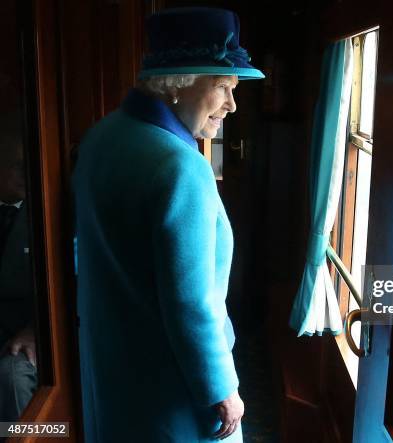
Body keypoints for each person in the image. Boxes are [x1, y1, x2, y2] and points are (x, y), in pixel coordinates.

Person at [72, 8, 264, 442]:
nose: (232, 104)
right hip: (171, 388)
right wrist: (222, 388)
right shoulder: (180, 166)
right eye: (223, 85)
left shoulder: (102, 136)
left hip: (113, 370)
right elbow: (190, 302)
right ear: (178, 84)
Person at [0, 115, 37, 423]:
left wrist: (37, 329)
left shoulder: (50, 212)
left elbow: (75, 281)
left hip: (30, 335)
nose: (26, 173)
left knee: (11, 377)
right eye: (16, 164)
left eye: (30, 163)